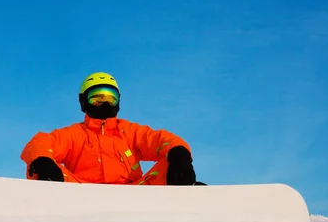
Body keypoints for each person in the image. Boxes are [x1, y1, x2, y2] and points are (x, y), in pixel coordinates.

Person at [20, 72, 205, 185]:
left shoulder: (129, 132)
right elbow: (42, 142)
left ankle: (184, 197)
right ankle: (49, 210)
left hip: (136, 195)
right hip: (78, 194)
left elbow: (159, 139)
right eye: (97, 98)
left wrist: (179, 154)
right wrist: (43, 160)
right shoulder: (74, 134)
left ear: (118, 101)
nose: (104, 104)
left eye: (110, 98)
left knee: (174, 160)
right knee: (37, 166)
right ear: (84, 102)